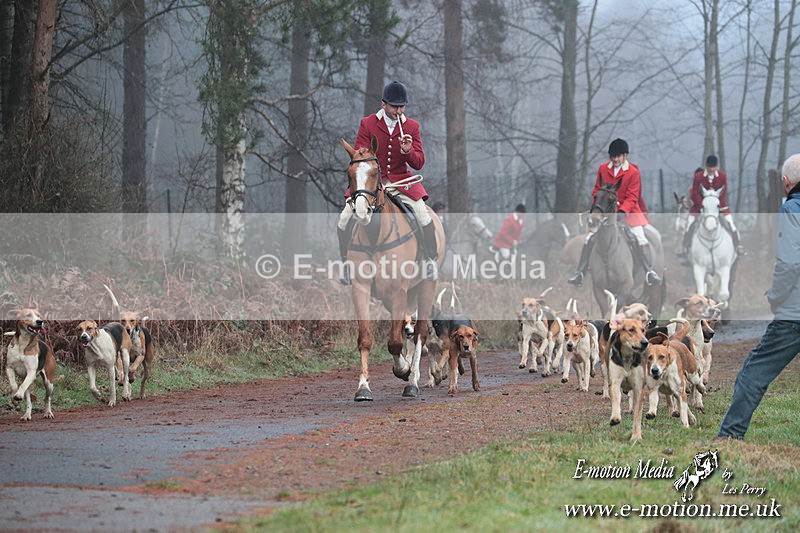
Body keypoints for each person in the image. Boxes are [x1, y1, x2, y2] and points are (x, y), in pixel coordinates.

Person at [717, 153, 800, 440]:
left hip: (793, 315)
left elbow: (789, 264)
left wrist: (775, 296)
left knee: (753, 373)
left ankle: (730, 436)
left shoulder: (791, 208)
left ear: (786, 182)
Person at [337, 81, 438, 285]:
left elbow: (419, 162)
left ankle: (430, 260)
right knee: (344, 218)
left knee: (423, 215)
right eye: (394, 106)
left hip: (401, 182)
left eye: (402, 106)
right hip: (372, 184)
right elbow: (359, 155)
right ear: (383, 104)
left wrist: (408, 151)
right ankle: (346, 264)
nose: (399, 111)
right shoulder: (368, 123)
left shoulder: (412, 126)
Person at [567, 138, 663, 287]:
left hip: (629, 213)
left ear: (625, 156)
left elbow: (633, 196)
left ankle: (649, 272)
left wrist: (622, 211)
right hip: (605, 212)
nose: (615, 159)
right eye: (613, 156)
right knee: (589, 238)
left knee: (641, 237)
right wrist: (597, 207)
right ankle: (580, 273)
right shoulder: (603, 169)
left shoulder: (633, 172)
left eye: (618, 156)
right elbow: (597, 190)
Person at [676, 154, 746, 259]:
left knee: (731, 224)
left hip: (719, 206)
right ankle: (685, 247)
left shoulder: (722, 176)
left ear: (716, 167)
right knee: (690, 224)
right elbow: (695, 193)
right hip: (700, 207)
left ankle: (738, 246)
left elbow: (723, 192)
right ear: (706, 166)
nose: (712, 169)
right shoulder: (698, 176)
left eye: (713, 167)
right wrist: (702, 205)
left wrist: (717, 205)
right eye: (709, 167)